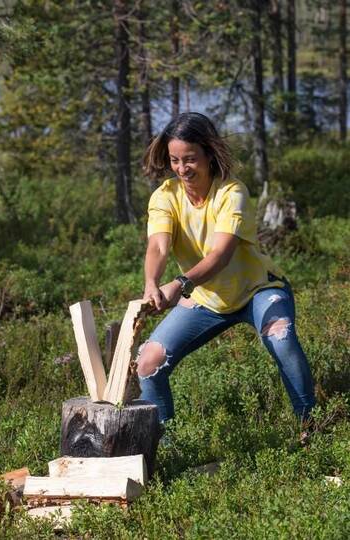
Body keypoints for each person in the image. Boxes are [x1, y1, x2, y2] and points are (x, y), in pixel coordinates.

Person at [137, 112, 315, 433]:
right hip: (206, 298)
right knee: (148, 363)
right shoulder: (164, 196)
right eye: (175, 160)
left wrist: (180, 283)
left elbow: (220, 254)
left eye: (190, 159)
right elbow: (158, 248)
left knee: (281, 337)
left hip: (257, 290)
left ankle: (310, 426)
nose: (182, 168)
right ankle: (165, 444)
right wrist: (151, 282)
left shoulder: (231, 192)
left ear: (209, 153)